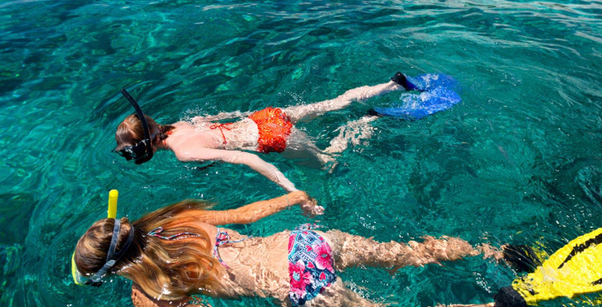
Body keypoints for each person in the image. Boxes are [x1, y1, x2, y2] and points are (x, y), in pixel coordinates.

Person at [72, 192, 602, 307]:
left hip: (297, 284)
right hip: (308, 241)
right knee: (407, 255)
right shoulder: (176, 226)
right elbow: (249, 215)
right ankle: (498, 251)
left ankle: (506, 302)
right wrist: (294, 199)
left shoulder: (146, 294)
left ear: (109, 273)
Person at [114, 74, 417, 213]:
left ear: (147, 145)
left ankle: (367, 121)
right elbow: (224, 117)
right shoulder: (178, 125)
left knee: (330, 162)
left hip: (271, 138)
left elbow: (249, 160)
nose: (133, 155)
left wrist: (294, 193)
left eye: (132, 151)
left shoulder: (183, 152)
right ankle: (390, 85)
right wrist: (247, 117)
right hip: (266, 117)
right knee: (333, 103)